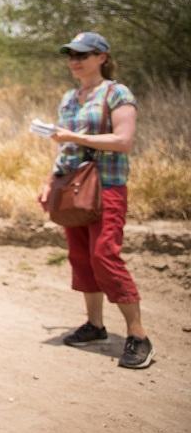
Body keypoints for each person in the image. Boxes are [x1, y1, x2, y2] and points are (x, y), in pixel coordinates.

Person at [38, 31, 153, 369]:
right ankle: (95, 326)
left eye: (83, 54)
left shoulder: (117, 93)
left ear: (102, 56)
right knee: (81, 257)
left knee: (105, 256)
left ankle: (138, 335)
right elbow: (64, 148)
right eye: (71, 55)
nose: (75, 60)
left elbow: (124, 140)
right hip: (72, 189)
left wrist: (74, 136)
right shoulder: (70, 98)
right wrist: (49, 182)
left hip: (107, 188)